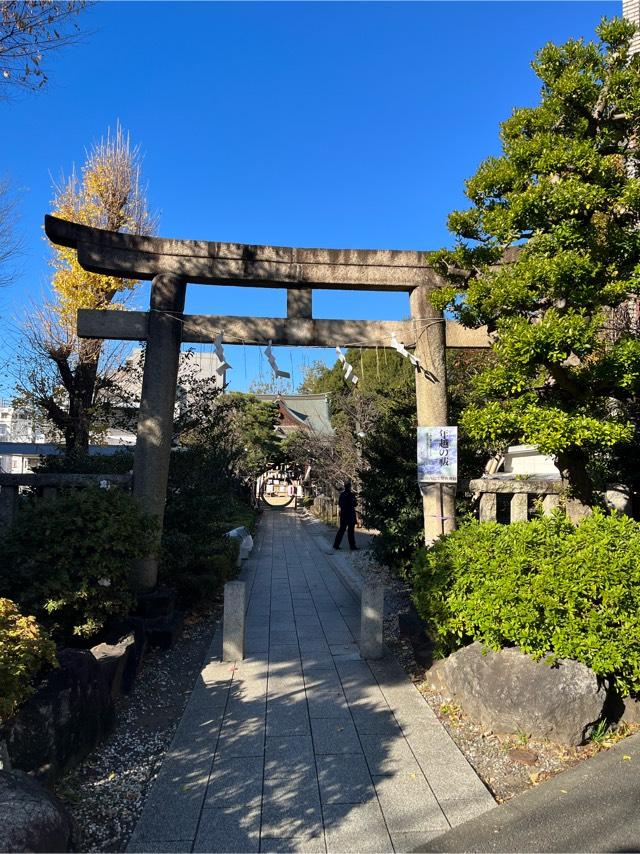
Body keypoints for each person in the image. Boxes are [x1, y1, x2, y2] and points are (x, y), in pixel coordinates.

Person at [333, 480, 359, 551]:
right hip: (350, 514)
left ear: (345, 487)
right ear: (350, 487)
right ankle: (352, 546)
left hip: (344, 514)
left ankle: (336, 545)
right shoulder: (351, 495)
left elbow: (340, 504)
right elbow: (355, 504)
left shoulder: (342, 495)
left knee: (341, 530)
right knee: (350, 531)